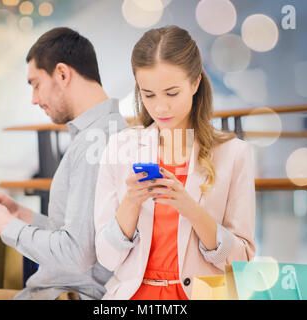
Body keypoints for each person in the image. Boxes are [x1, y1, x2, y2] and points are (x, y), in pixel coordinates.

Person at [0, 27, 126, 300]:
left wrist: (5, 226)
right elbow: (85, 238)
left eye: (36, 84)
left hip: (66, 295)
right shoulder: (103, 132)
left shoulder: (96, 141)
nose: (34, 99)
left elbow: (78, 256)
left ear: (63, 74)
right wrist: (22, 216)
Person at [94, 26, 256, 300]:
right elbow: (106, 258)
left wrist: (191, 209)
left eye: (171, 93)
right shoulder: (120, 148)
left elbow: (241, 261)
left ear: (194, 84)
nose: (159, 108)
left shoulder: (234, 154)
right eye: (148, 94)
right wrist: (131, 203)